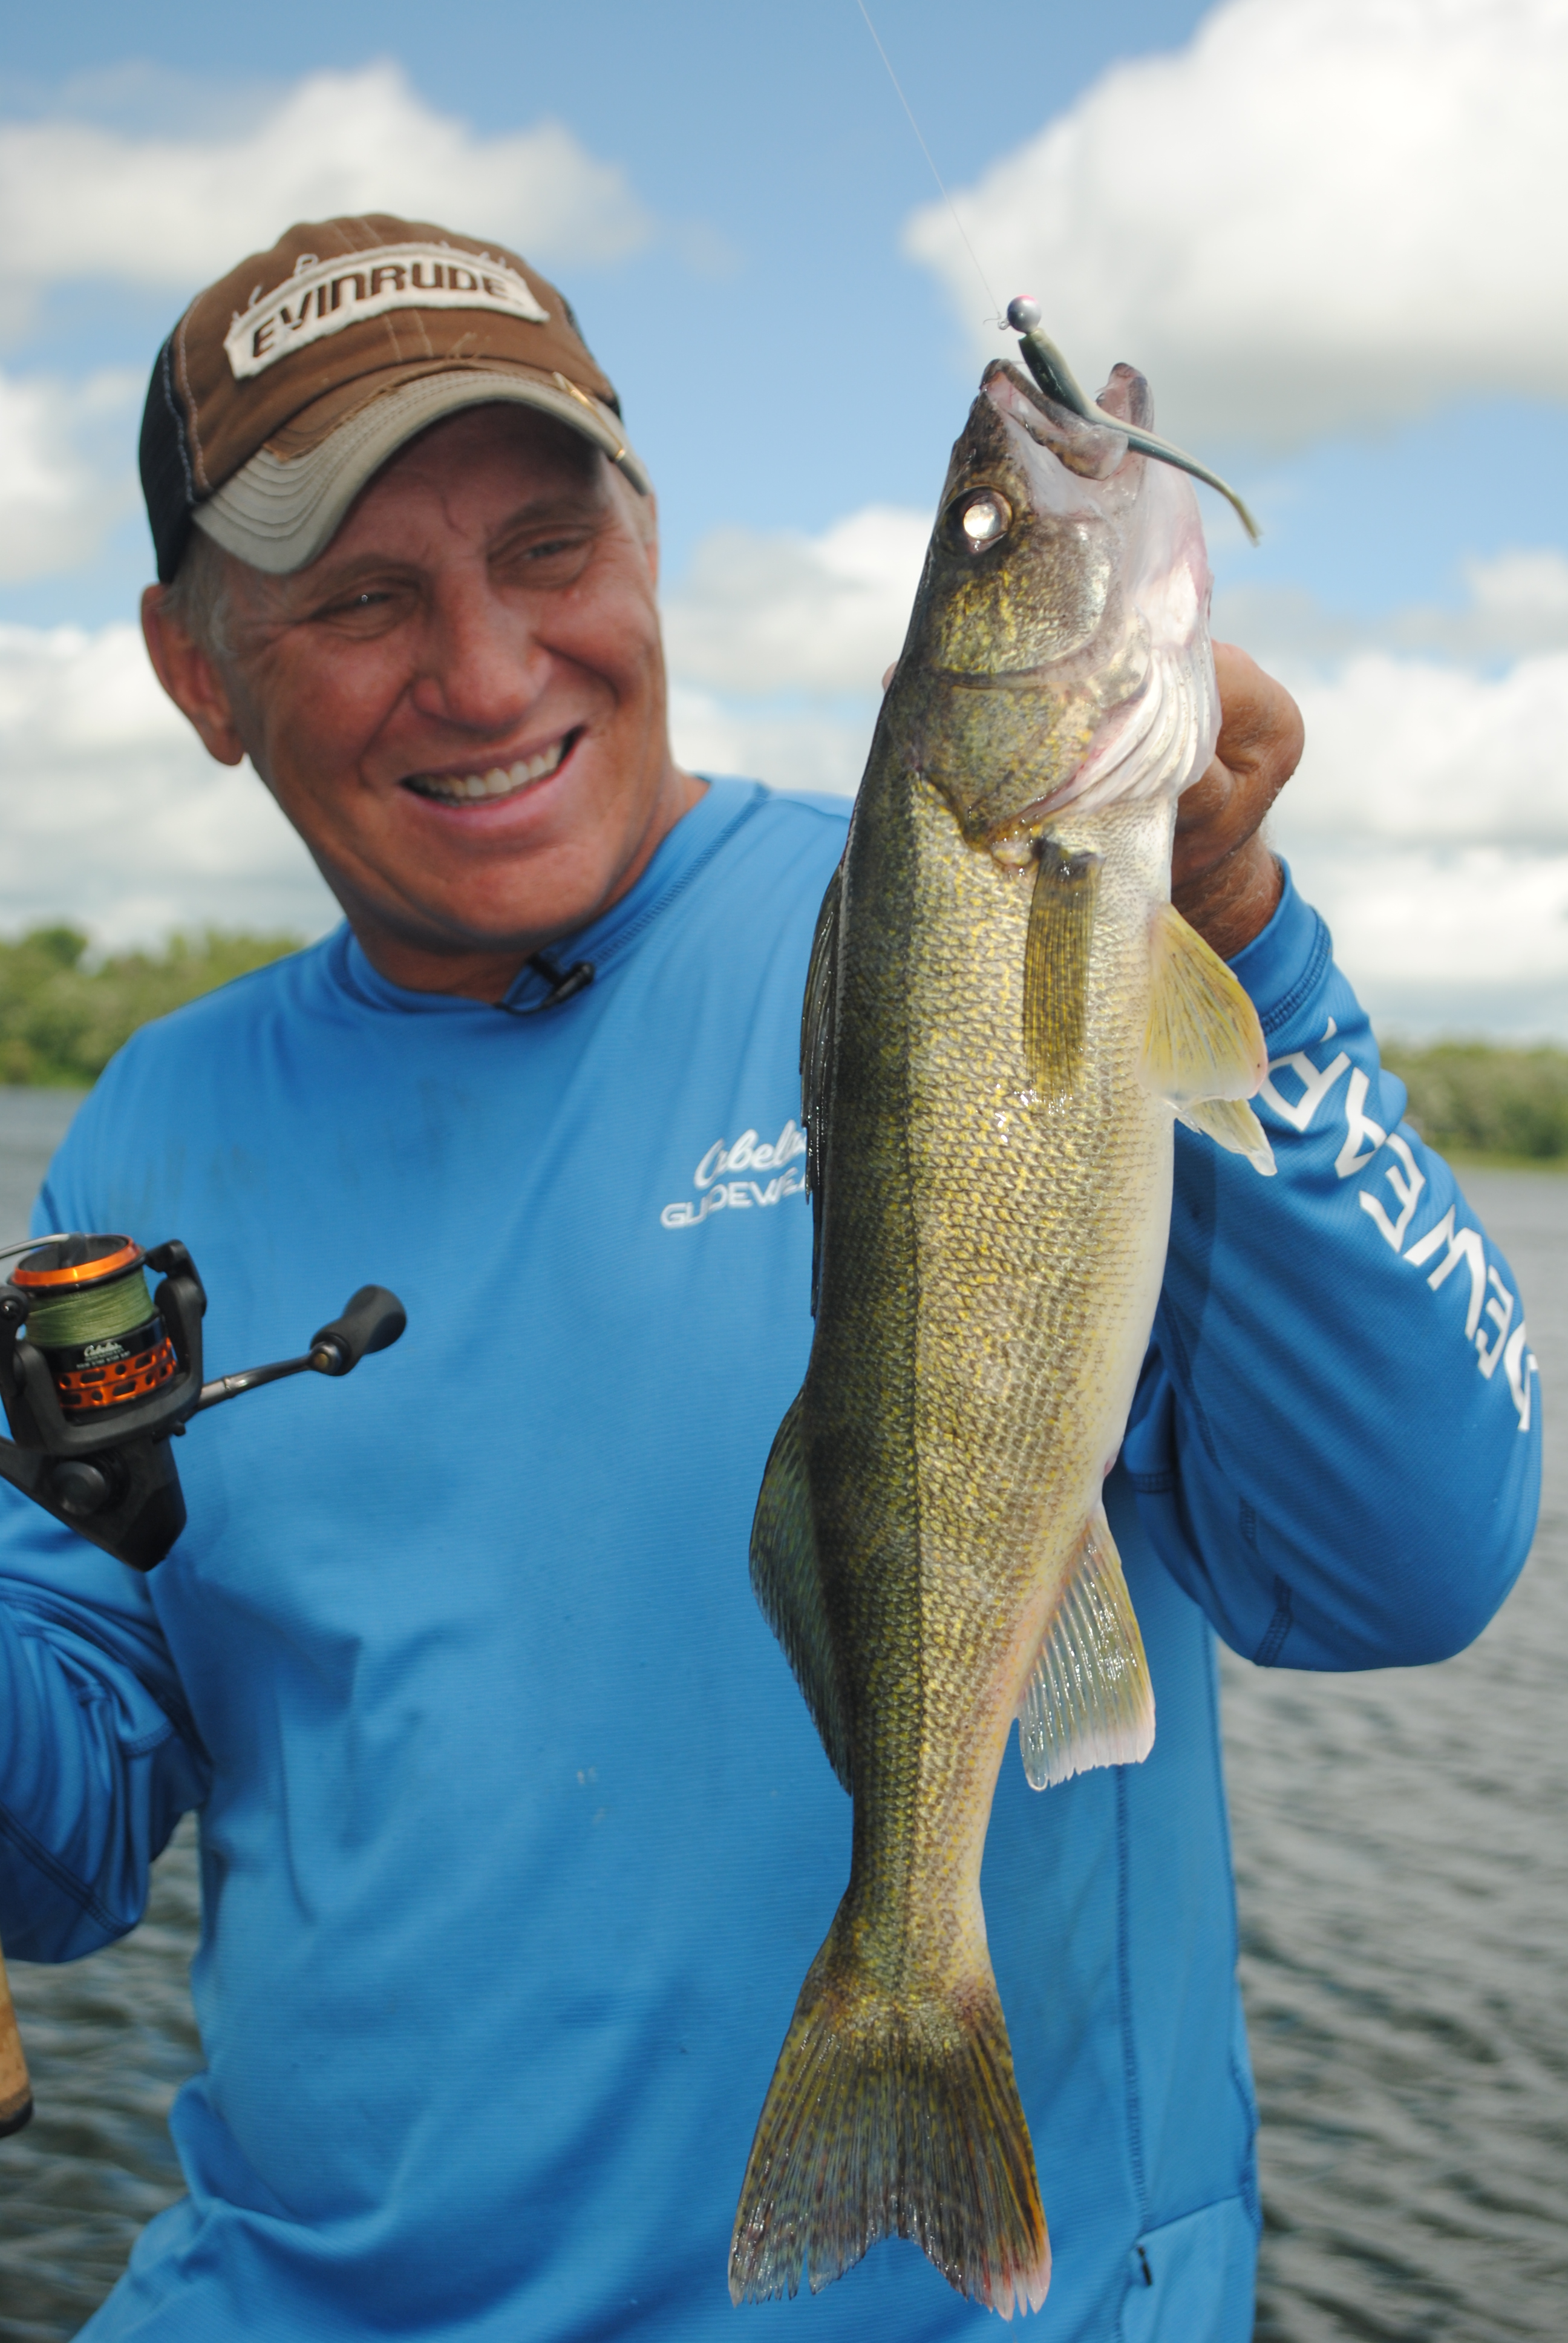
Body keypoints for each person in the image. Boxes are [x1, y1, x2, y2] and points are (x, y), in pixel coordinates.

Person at [0, 214, 1538, 2342]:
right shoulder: (150, 1128)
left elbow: (1410, 1565)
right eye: (366, 598)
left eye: (548, 550)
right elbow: (58, 1843)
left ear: (646, 541)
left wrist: (1246, 922)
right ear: (196, 674)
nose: (486, 668)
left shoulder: (947, 930)